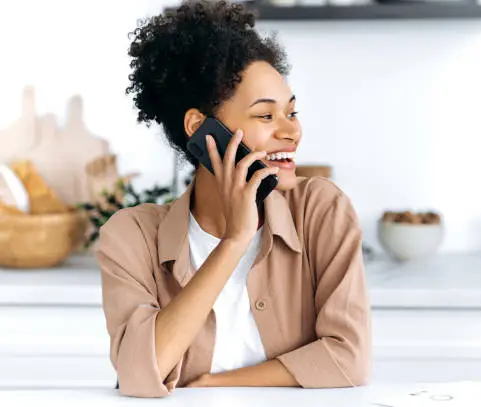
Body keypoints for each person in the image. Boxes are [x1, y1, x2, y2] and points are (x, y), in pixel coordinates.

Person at [95, 0, 371, 398]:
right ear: (203, 130)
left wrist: (214, 385)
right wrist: (234, 241)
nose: (291, 132)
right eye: (266, 116)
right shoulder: (131, 235)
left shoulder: (321, 211)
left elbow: (349, 358)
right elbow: (140, 373)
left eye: (291, 113)